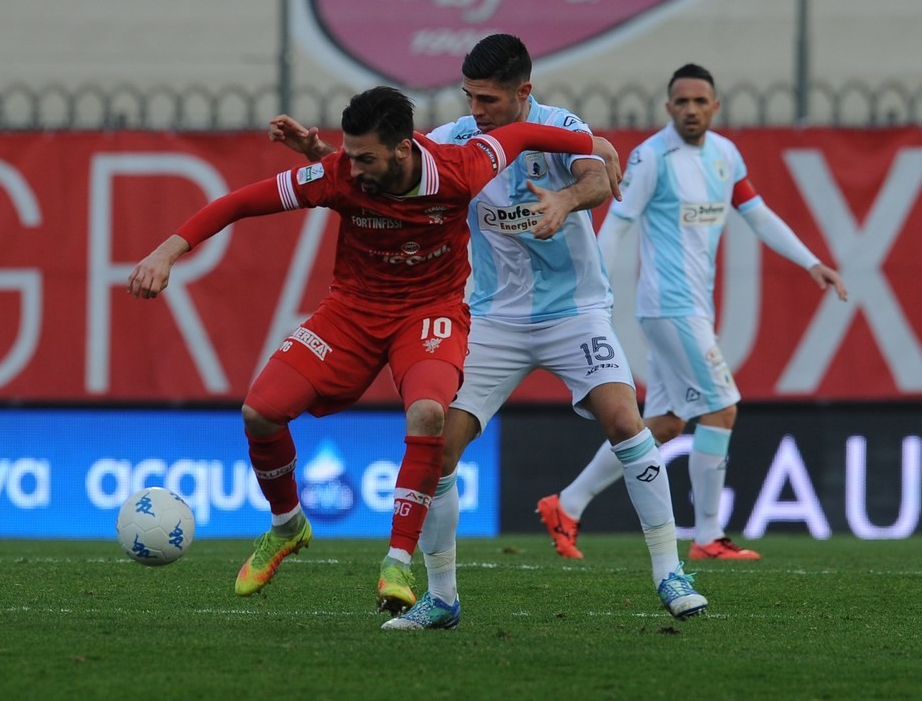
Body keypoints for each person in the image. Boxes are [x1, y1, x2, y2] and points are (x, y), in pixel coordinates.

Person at [269, 34, 709, 631]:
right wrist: (320, 151)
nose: (476, 111)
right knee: (439, 447)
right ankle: (442, 597)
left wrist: (565, 202)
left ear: (524, 93)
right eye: (470, 97)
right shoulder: (455, 140)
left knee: (626, 420)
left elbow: (600, 175)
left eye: (489, 100)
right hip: (491, 317)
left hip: (573, 312)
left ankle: (669, 572)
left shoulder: (557, 125)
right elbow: (385, 167)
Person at [129, 85, 616, 618]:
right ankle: (287, 524)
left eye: (365, 158)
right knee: (260, 412)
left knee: (430, 412)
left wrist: (594, 145)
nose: (351, 168)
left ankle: (397, 563)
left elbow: (526, 134)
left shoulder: (460, 167)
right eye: (348, 155)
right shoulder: (338, 174)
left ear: (403, 150)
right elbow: (240, 202)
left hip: (430, 313)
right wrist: (167, 251)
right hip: (353, 312)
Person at [537, 63, 849, 563]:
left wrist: (811, 262)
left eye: (699, 101)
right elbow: (617, 222)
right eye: (681, 102)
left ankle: (566, 504)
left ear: (715, 107)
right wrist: (591, 287)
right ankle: (707, 536)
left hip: (693, 306)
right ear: (668, 108)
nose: (690, 110)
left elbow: (757, 213)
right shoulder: (652, 157)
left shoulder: (726, 154)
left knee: (663, 423)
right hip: (669, 307)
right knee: (722, 408)